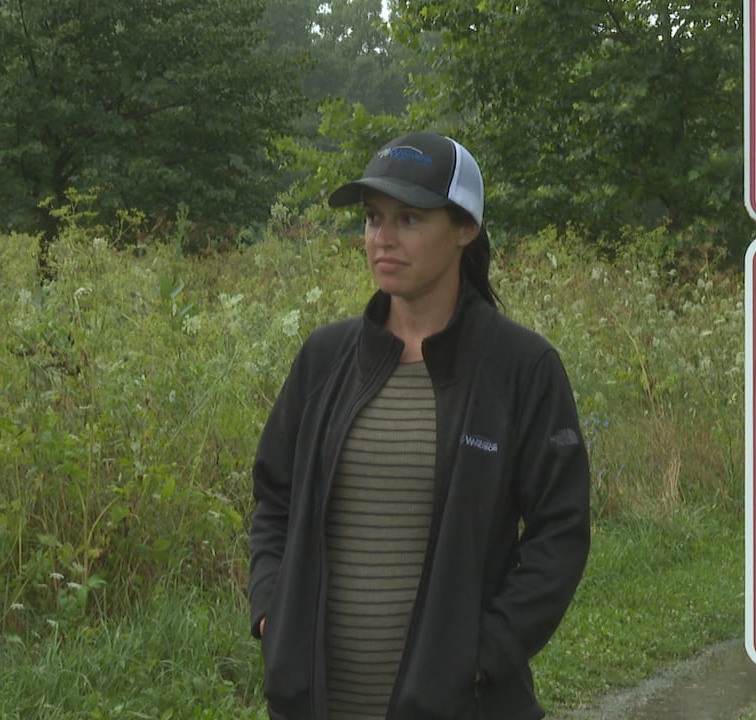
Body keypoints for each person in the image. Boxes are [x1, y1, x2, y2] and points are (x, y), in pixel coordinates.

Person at [247, 131, 592, 720]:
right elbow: (274, 497)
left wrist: (483, 653)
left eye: (409, 218)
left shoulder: (519, 368)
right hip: (317, 702)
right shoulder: (325, 359)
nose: (382, 238)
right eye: (373, 218)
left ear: (464, 229)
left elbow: (559, 533)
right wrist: (271, 609)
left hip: (463, 705)